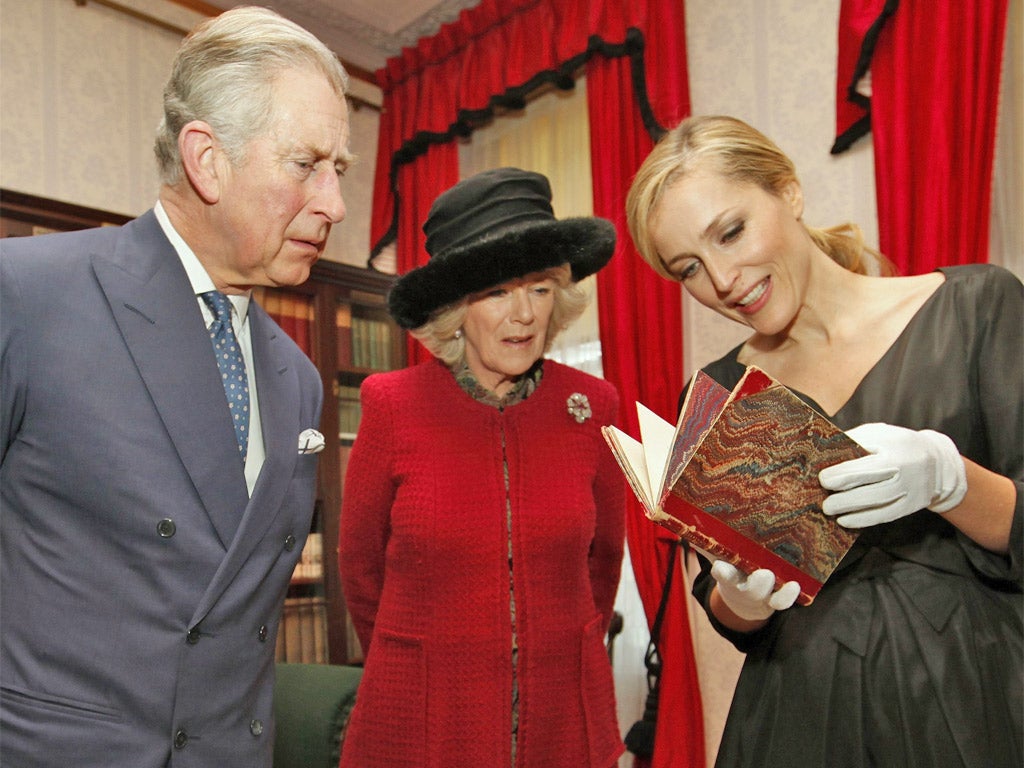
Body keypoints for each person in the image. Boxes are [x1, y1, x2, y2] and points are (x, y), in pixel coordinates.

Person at [0, 7, 351, 767]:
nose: (334, 204)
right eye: (307, 165)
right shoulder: (27, 297)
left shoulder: (295, 378)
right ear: (208, 159)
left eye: (340, 172)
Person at [625, 115, 1022, 768]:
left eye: (731, 231)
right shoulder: (718, 394)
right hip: (799, 715)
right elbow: (734, 620)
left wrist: (951, 481)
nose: (722, 280)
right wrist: (743, 595)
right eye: (688, 267)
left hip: (973, 700)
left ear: (788, 192)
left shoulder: (977, 308)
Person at [338, 167, 627, 768]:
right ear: (455, 309)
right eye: (497, 292)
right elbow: (360, 568)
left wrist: (560, 654)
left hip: (562, 719)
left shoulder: (593, 405)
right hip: (425, 721)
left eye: (540, 288)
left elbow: (603, 560)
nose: (524, 314)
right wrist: (412, 664)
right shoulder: (392, 404)